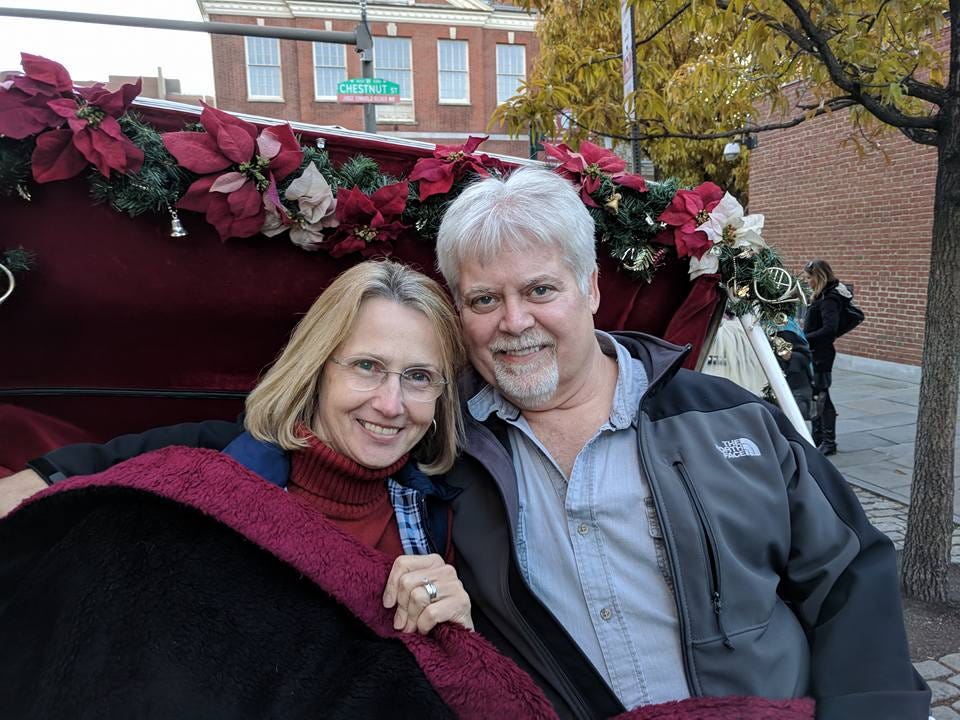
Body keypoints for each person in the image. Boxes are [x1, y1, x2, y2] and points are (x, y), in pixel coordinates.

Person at [1, 169, 928, 720]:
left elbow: (849, 575)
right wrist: (47, 473)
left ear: (589, 290)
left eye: (540, 291)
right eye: (484, 300)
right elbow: (238, 454)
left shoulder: (726, 419)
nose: (514, 322)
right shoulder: (452, 456)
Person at [0, 261, 565, 718]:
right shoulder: (205, 457)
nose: (391, 404)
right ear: (317, 369)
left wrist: (456, 631)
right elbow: (35, 509)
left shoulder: (442, 515)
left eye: (418, 377)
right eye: (367, 367)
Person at [803, 258, 852, 455]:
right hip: (815, 352)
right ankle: (818, 437)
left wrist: (805, 338)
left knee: (822, 396)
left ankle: (829, 442)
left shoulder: (829, 299)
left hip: (821, 354)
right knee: (816, 395)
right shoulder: (822, 295)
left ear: (819, 276)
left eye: (809, 277)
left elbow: (829, 330)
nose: (807, 281)